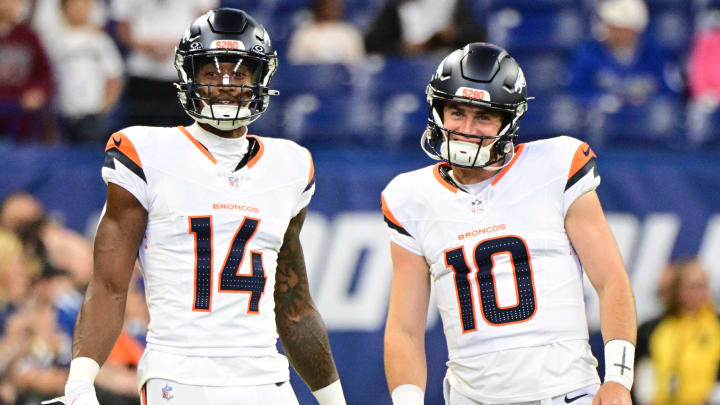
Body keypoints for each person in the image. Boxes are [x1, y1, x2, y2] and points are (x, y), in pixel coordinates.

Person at [47, 8, 347, 405]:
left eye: (239, 73)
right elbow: (108, 285)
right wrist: (81, 381)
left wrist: (335, 400)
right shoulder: (145, 152)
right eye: (211, 72)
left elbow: (294, 307)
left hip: (266, 378)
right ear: (190, 76)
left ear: (260, 80)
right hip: (180, 375)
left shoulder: (290, 165)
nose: (225, 84)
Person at [381, 43, 637, 404]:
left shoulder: (555, 165)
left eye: (484, 116)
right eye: (456, 112)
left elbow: (611, 280)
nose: (467, 128)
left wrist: (618, 379)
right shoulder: (409, 196)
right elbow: (405, 329)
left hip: (566, 393)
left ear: (508, 120)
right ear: (438, 110)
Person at [634, 258, 720, 405]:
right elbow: (644, 368)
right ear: (678, 289)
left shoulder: (716, 325)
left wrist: (710, 399)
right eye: (693, 286)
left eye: (703, 286)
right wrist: (648, 399)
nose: (699, 292)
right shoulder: (652, 328)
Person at [44, 0, 124, 144]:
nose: (79, 10)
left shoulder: (100, 40)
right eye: (75, 5)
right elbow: (47, 74)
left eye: (84, 5)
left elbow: (114, 76)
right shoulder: (53, 40)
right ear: (62, 9)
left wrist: (105, 107)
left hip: (92, 113)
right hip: (61, 112)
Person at [364, 0, 485, 57]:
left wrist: (454, 34)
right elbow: (373, 43)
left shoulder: (451, 4)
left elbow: (476, 36)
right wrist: (400, 47)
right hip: (405, 64)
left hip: (443, 60)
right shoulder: (395, 8)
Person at [287, 0, 365, 65]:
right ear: (319, 6)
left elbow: (357, 64)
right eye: (328, 5)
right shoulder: (304, 34)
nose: (331, 9)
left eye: (335, 5)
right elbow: (296, 63)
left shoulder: (350, 33)